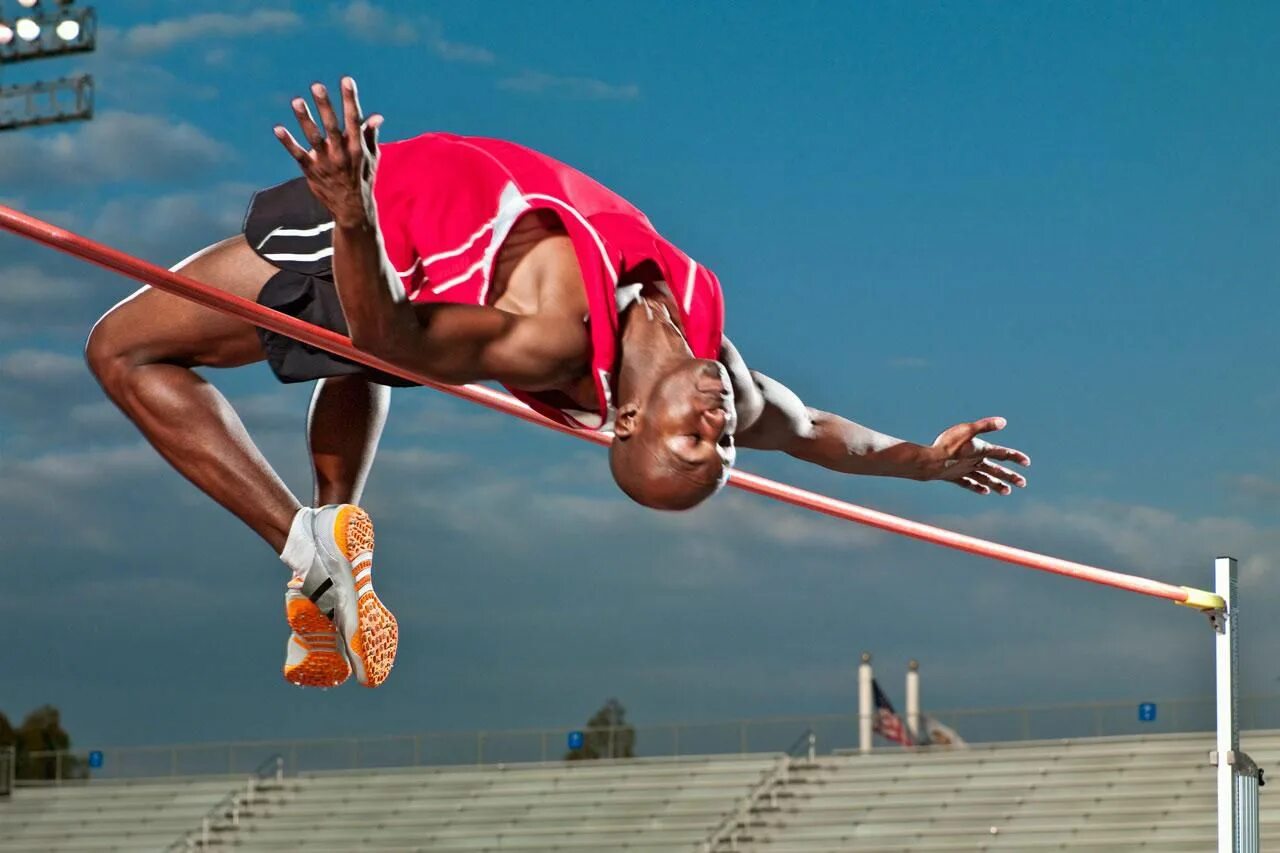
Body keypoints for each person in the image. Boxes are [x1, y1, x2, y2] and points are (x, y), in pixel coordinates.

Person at [83, 78, 1030, 690]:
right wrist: (923, 464)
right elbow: (823, 432)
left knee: (123, 349)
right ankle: (332, 527)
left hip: (389, 228)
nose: (716, 427)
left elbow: (390, 341)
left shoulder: (548, 341)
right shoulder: (727, 378)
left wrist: (352, 213)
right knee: (346, 355)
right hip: (415, 238)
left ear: (622, 421)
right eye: (721, 445)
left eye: (692, 441)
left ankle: (304, 548)